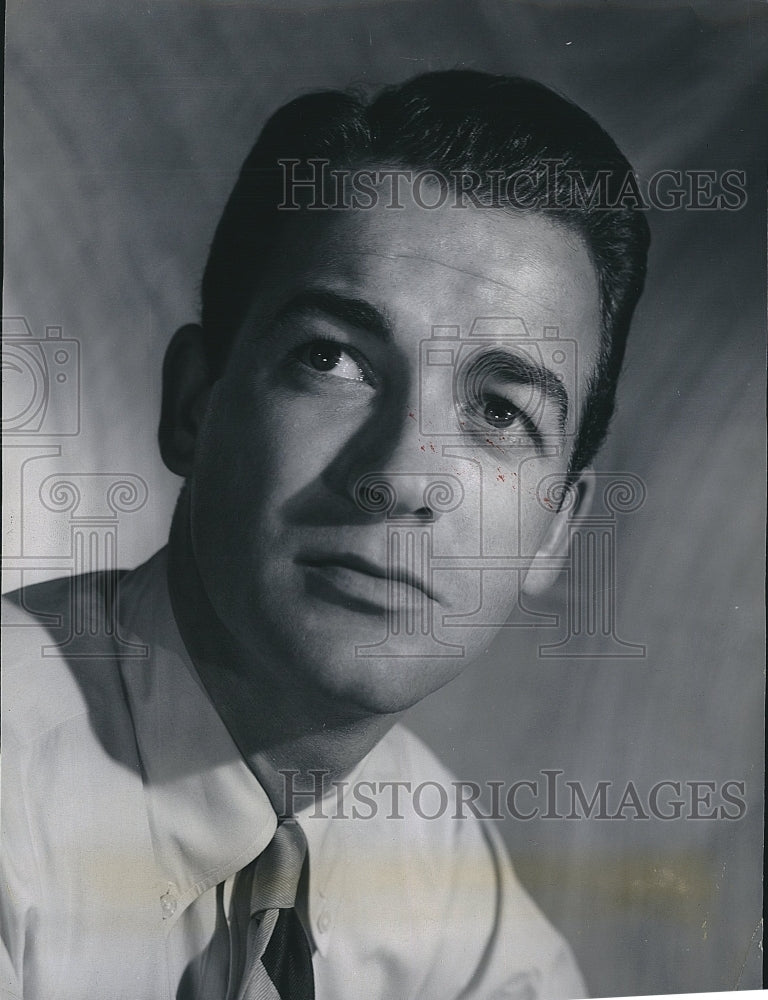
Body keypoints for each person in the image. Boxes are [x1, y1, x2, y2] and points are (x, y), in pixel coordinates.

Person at [1, 70, 650, 1000]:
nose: (397, 476)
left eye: (501, 412)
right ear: (194, 404)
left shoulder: (447, 882)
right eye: (332, 358)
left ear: (556, 533)